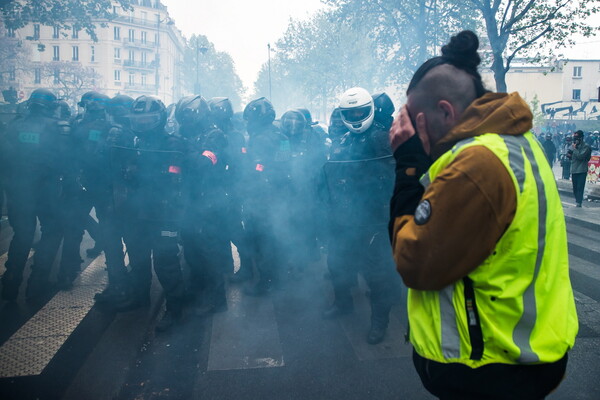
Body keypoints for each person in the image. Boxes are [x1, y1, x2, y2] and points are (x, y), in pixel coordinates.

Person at [388, 30, 577, 399]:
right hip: (524, 352)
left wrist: (408, 164)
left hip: (488, 366)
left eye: (415, 121)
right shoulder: (513, 142)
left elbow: (414, 262)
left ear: (445, 111)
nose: (410, 132)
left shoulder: (475, 163)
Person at [322, 87, 400, 345]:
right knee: (337, 264)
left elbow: (393, 177)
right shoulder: (343, 140)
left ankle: (380, 322)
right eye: (350, 112)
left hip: (375, 218)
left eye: (360, 111)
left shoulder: (382, 137)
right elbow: (330, 174)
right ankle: (343, 304)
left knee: (378, 274)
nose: (355, 117)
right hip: (343, 217)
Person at [116, 95, 186, 331]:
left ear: (160, 119)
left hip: (164, 212)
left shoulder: (173, 143)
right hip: (137, 211)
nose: (143, 124)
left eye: (148, 120)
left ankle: (175, 310)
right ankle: (139, 297)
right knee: (138, 258)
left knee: (166, 262)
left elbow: (174, 177)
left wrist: (146, 170)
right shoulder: (134, 142)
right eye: (139, 120)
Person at [1, 89, 66, 300]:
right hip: (46, 190)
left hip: (19, 189)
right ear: (50, 105)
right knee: (52, 231)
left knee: (22, 235)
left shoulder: (15, 125)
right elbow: (65, 159)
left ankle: (11, 281)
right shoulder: (56, 127)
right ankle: (37, 284)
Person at [569, 130, 592, 207]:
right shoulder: (574, 145)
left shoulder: (586, 147)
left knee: (580, 187)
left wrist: (575, 149)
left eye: (577, 138)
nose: (576, 140)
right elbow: (570, 155)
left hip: (581, 169)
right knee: (575, 187)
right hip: (574, 169)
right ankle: (577, 199)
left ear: (581, 138)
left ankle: (579, 201)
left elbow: (581, 156)